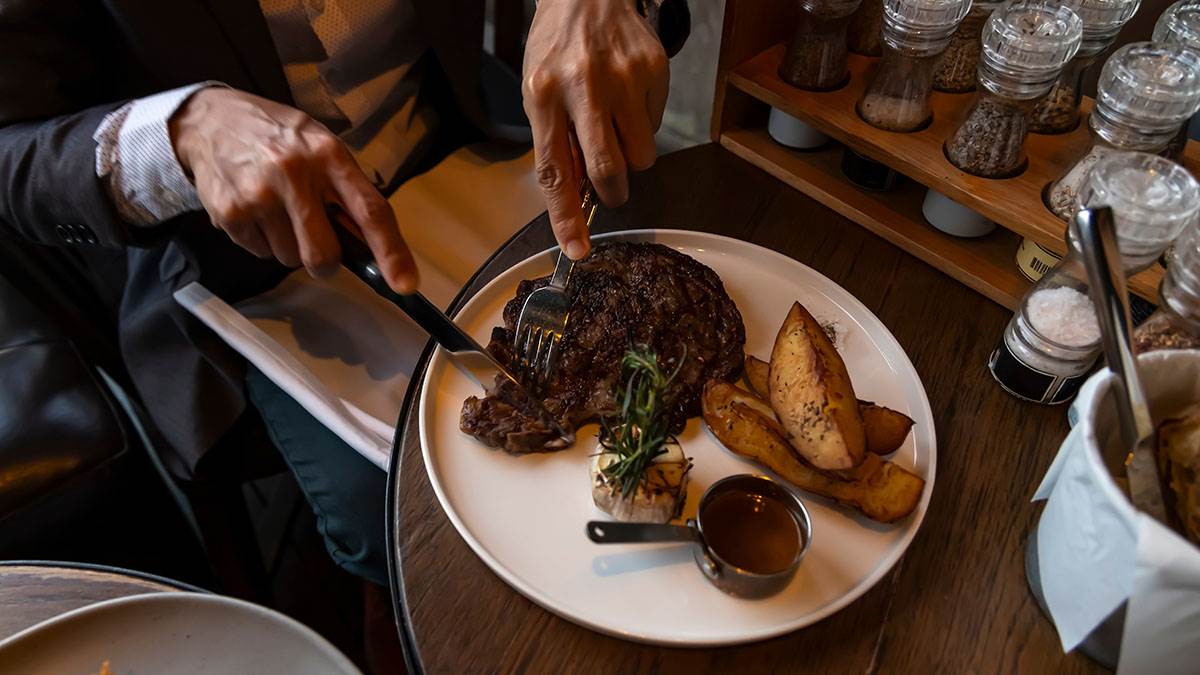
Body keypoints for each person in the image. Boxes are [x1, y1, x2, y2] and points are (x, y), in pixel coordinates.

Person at [0, 0, 689, 592]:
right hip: (246, 262)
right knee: (406, 519)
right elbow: (12, 151)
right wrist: (181, 133)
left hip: (459, 129)